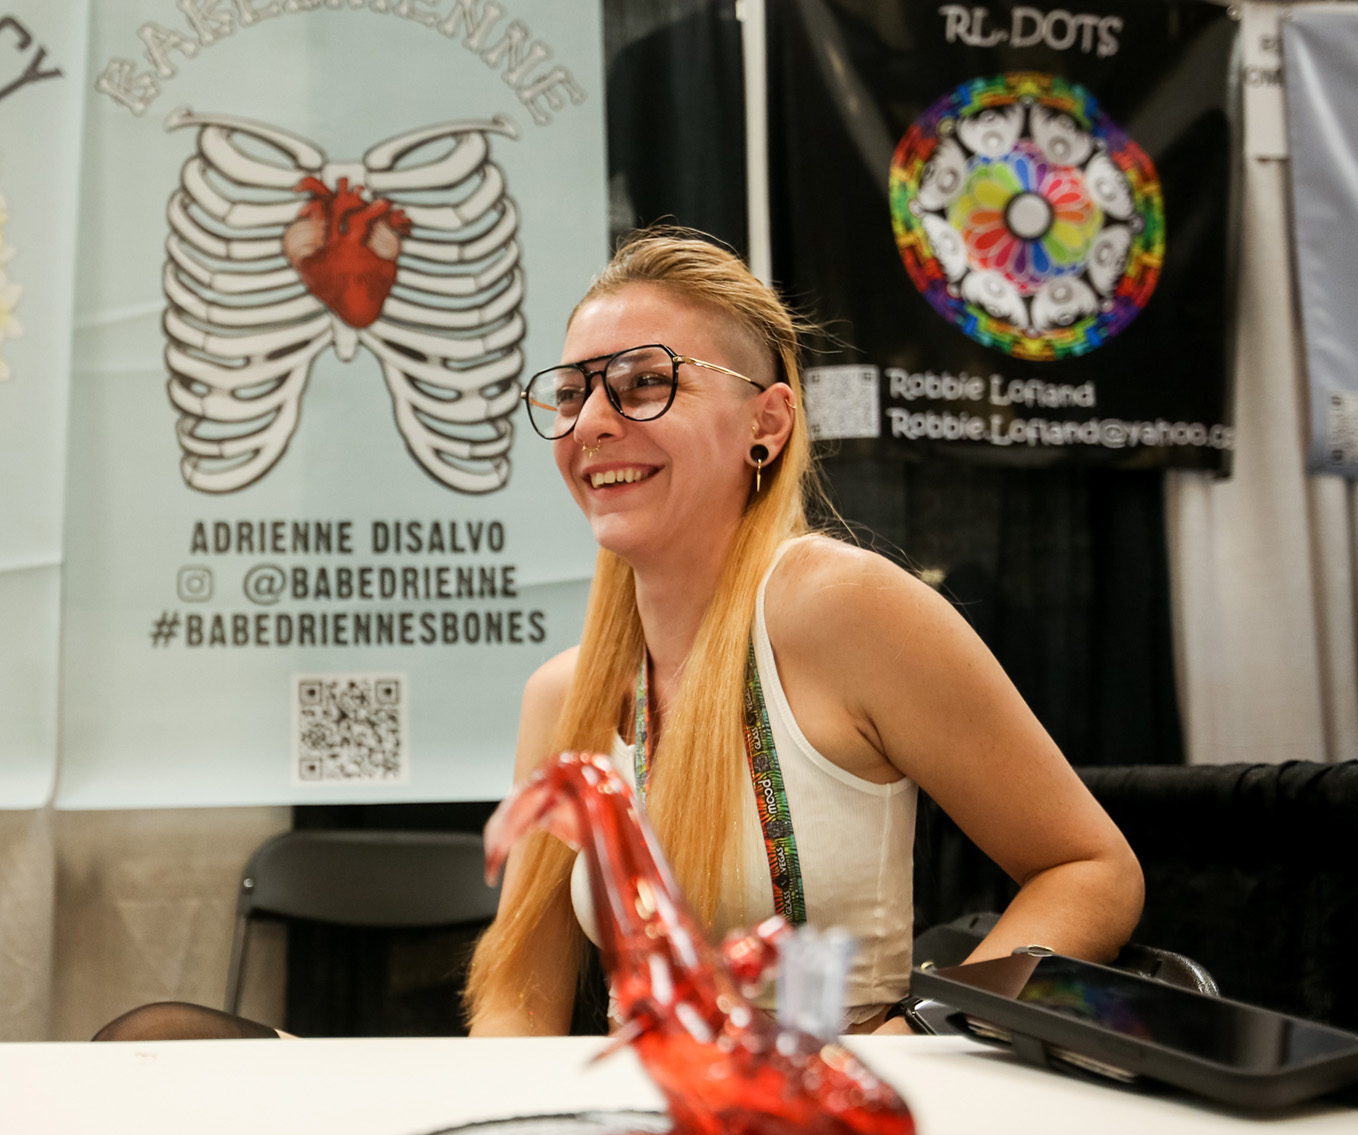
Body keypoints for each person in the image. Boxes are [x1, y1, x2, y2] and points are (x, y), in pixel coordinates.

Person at [464, 230, 1143, 1037]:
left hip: (841, 1134)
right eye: (572, 395)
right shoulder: (561, 696)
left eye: (644, 383)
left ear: (770, 422)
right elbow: (517, 1000)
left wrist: (927, 1037)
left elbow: (1090, 871)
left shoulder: (843, 608)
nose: (592, 425)